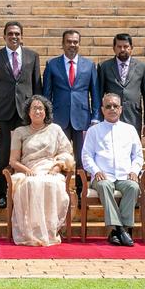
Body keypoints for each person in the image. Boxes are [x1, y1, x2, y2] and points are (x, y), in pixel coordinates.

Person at [0, 21, 42, 209]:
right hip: (4, 112)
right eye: (10, 34)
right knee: (4, 155)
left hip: (26, 114)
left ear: (22, 36)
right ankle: (2, 194)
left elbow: (37, 87)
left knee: (28, 153)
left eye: (17, 34)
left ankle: (24, 191)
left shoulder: (32, 56)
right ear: (4, 36)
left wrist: (37, 114)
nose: (14, 37)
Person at [8, 95, 74, 246]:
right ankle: (31, 232)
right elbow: (13, 161)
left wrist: (57, 167)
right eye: (34, 108)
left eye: (40, 108)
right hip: (28, 169)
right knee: (31, 184)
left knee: (52, 183)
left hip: (51, 168)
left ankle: (49, 229)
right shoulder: (20, 131)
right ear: (28, 112)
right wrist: (26, 170)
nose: (37, 111)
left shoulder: (55, 129)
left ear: (46, 112)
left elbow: (67, 153)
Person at [43, 29, 100, 197]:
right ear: (62, 44)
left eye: (75, 42)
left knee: (82, 158)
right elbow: (46, 94)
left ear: (79, 44)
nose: (72, 45)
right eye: (69, 41)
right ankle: (60, 192)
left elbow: (95, 94)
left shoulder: (89, 65)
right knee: (59, 157)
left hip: (82, 119)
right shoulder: (52, 64)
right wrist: (47, 119)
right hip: (58, 120)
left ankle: (81, 194)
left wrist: (95, 117)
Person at [81, 94, 143, 247]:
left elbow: (138, 155)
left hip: (124, 175)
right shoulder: (94, 130)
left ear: (120, 109)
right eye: (108, 106)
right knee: (104, 185)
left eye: (115, 106)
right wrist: (96, 171)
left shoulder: (130, 130)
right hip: (103, 176)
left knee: (133, 187)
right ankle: (121, 230)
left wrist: (134, 170)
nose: (112, 109)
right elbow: (86, 155)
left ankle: (117, 231)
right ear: (102, 110)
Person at [96, 33, 145, 137]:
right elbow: (99, 95)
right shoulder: (104, 66)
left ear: (131, 48)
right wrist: (98, 118)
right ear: (114, 48)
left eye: (126, 46)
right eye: (119, 46)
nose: (122, 49)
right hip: (110, 116)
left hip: (133, 116)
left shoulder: (142, 67)